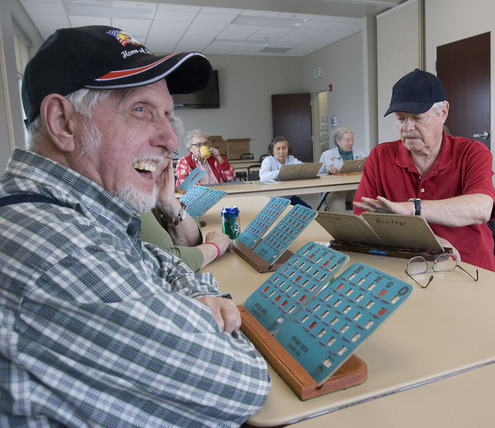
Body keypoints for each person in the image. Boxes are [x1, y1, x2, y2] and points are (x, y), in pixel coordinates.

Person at [0, 25, 270, 427]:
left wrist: (189, 301)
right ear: (62, 122)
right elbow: (241, 382)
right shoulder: (62, 254)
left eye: (168, 115)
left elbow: (159, 261)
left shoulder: (71, 212)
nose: (169, 139)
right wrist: (204, 311)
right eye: (140, 109)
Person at [353, 68, 495, 273]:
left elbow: (481, 208)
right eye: (400, 118)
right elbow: (363, 217)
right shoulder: (380, 156)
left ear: (444, 112)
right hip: (408, 268)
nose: (407, 127)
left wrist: (411, 209)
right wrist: (426, 241)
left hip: (471, 268)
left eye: (417, 117)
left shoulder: (472, 152)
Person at [141, 157, 233, 271]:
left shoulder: (152, 189)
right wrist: (215, 247)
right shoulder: (132, 197)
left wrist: (169, 203)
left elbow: (191, 242)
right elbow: (167, 263)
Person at [318, 127, 365, 212]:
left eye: (352, 140)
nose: (351, 143)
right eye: (347, 140)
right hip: (335, 190)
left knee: (367, 201)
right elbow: (318, 175)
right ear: (338, 141)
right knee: (337, 207)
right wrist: (328, 173)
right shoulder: (326, 155)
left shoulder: (360, 154)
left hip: (354, 189)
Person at [259, 136, 312, 207]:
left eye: (284, 148)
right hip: (273, 199)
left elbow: (302, 168)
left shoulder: (291, 159)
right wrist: (283, 172)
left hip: (289, 197)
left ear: (288, 149)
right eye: (278, 149)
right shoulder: (268, 160)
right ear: (272, 151)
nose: (281, 151)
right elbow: (263, 176)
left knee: (308, 210)